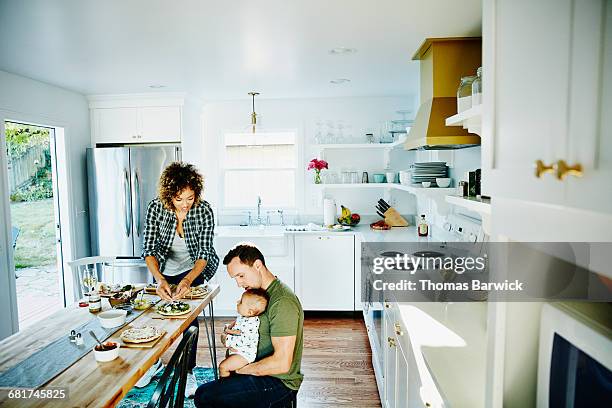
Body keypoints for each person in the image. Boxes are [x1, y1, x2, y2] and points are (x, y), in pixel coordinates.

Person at [141, 161, 219, 397]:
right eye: (179, 199)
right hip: (163, 268)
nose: (185, 204)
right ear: (168, 196)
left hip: (193, 269)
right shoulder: (155, 208)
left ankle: (188, 371)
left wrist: (187, 281)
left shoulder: (203, 210)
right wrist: (160, 280)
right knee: (156, 315)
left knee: (190, 321)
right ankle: (153, 363)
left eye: (190, 198)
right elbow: (149, 249)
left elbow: (204, 254)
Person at [194, 243, 304, 408]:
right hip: (259, 369)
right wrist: (229, 336)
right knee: (212, 390)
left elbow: (282, 363)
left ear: (258, 265)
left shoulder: (282, 302)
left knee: (205, 396)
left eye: (241, 276)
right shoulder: (259, 295)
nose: (238, 284)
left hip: (279, 382)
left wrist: (239, 370)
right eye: (236, 278)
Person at [219, 289, 269, 378]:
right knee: (228, 360)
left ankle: (224, 385)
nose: (238, 302)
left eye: (241, 302)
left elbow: (244, 340)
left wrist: (227, 340)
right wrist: (229, 329)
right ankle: (230, 379)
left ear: (250, 312)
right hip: (239, 351)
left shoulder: (251, 324)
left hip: (244, 355)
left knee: (223, 366)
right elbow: (236, 328)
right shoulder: (243, 317)